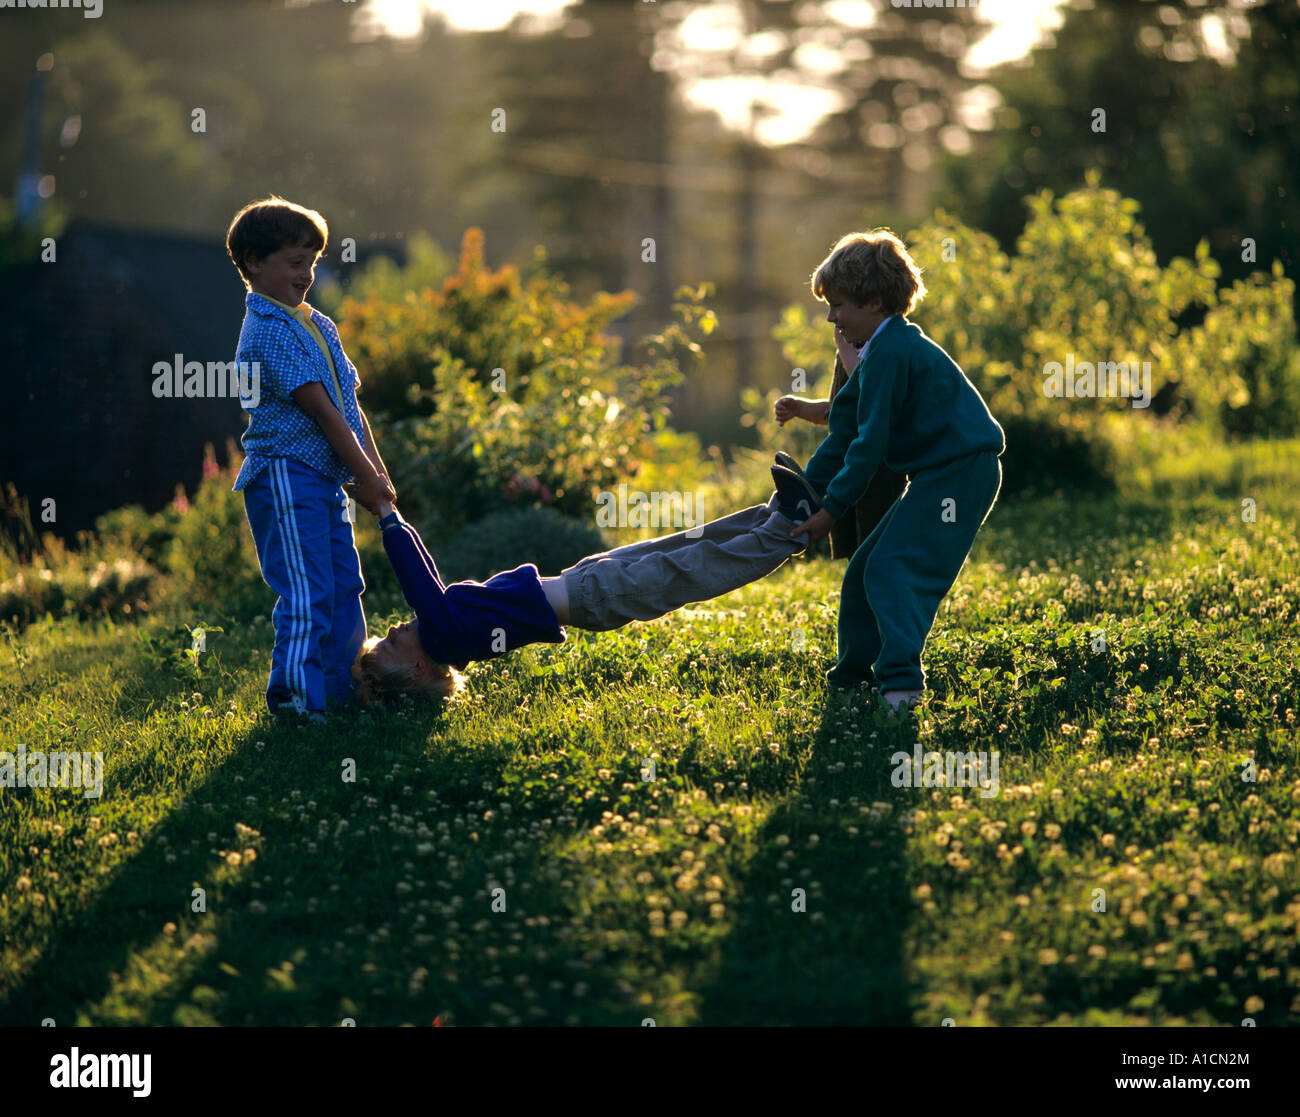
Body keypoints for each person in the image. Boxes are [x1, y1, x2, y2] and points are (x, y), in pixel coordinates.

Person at [787, 229, 1006, 714]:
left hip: (960, 474)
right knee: (863, 568)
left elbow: (868, 448)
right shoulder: (878, 352)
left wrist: (829, 513)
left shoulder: (892, 352)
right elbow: (846, 428)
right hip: (936, 476)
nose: (830, 317)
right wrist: (810, 486)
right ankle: (852, 678)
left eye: (838, 305)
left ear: (875, 301)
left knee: (893, 569)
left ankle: (902, 689)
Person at [351, 489, 815, 705]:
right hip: (598, 598)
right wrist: (387, 516)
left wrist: (396, 516)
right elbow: (417, 583)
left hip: (583, 578)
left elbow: (426, 574)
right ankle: (787, 531)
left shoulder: (443, 624)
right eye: (389, 644)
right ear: (416, 670)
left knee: (679, 545)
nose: (391, 629)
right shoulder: (447, 640)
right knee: (688, 571)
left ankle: (765, 515)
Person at [226, 196, 396, 722]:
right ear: (255, 262)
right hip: (284, 476)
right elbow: (323, 414)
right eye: (296, 262)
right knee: (308, 590)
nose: (308, 274)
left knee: (345, 583)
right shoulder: (266, 331)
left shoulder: (317, 323)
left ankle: (342, 694)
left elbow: (350, 405)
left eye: (313, 262)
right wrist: (363, 477)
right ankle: (297, 704)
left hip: (323, 479)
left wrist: (378, 474)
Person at [775, 351, 907, 559]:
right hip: (848, 469)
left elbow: (869, 396)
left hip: (877, 470)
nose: (831, 318)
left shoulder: (875, 348)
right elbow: (839, 412)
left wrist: (844, 347)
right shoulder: (851, 342)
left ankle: (884, 588)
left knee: (879, 542)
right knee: (855, 546)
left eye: (838, 317)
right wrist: (800, 407)